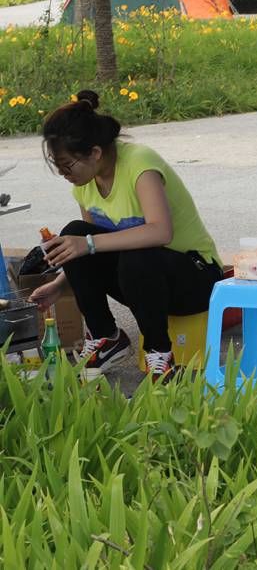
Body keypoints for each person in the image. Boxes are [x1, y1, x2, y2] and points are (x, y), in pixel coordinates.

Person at [29, 90, 223, 379]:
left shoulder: (140, 163)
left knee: (134, 251)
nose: (64, 174)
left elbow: (160, 232)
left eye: (67, 165)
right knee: (74, 232)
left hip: (195, 277)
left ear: (95, 152)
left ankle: (161, 355)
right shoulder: (84, 183)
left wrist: (87, 244)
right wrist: (61, 284)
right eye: (59, 167)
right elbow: (90, 248)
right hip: (143, 284)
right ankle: (107, 337)